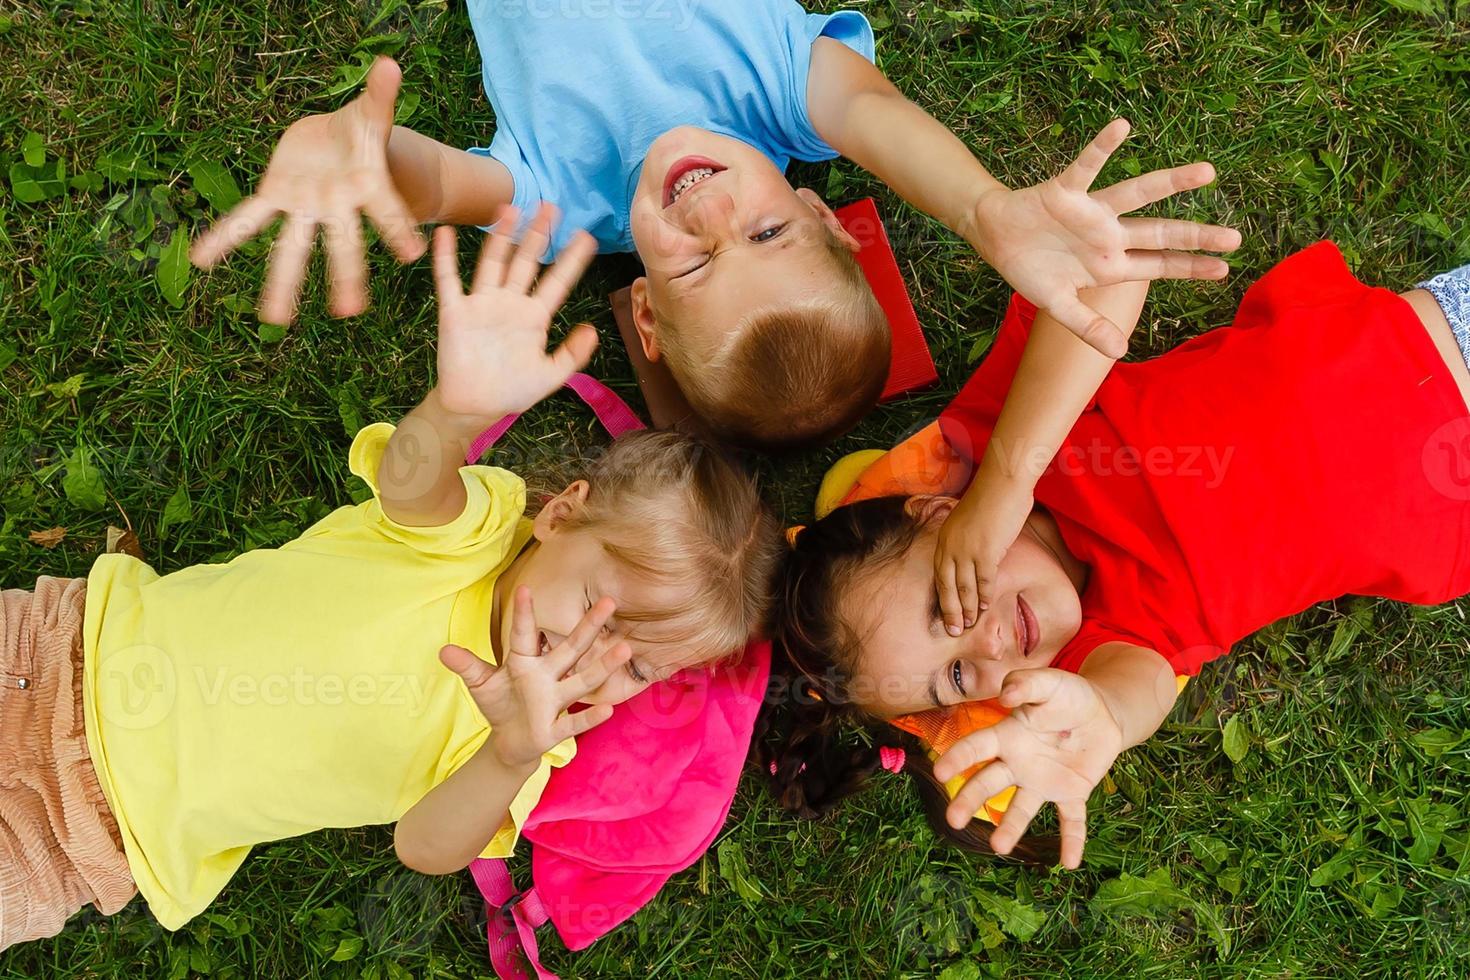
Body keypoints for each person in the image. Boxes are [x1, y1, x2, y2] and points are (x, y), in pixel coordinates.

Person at [0, 208, 782, 950]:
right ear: (562, 517)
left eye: (636, 666)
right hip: (57, 655)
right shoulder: (474, 537)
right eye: (596, 609)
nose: (588, 655)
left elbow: (425, 847)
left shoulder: (526, 745)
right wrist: (455, 408)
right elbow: (411, 483)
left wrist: (508, 754)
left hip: (92, 830)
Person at [190, 0, 1239, 449]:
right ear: (822, 210)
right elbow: (873, 116)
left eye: (695, 268)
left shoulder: (559, 208)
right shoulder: (785, 94)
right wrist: (983, 212)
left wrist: (355, 147)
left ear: (642, 313)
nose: (710, 214)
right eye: (770, 234)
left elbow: (433, 183)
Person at [761, 242, 1470, 868]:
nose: (989, 644)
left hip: (1427, 348)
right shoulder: (1093, 651)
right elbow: (1141, 687)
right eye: (954, 676)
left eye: (948, 605)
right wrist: (1101, 713)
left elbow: (1108, 270)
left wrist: (1006, 482)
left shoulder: (1007, 437)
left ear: (940, 513)